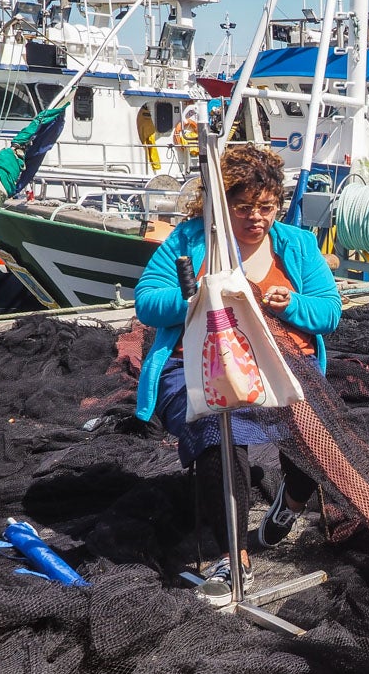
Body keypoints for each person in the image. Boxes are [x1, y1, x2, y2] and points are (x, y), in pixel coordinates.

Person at [134, 143, 341, 604]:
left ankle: (288, 505)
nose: (257, 218)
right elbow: (147, 301)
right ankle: (234, 552)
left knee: (319, 443)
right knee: (216, 430)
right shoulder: (189, 241)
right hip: (199, 364)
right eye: (244, 207)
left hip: (283, 363)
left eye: (266, 208)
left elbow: (329, 313)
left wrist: (294, 306)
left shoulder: (299, 246)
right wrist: (195, 298)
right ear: (219, 204)